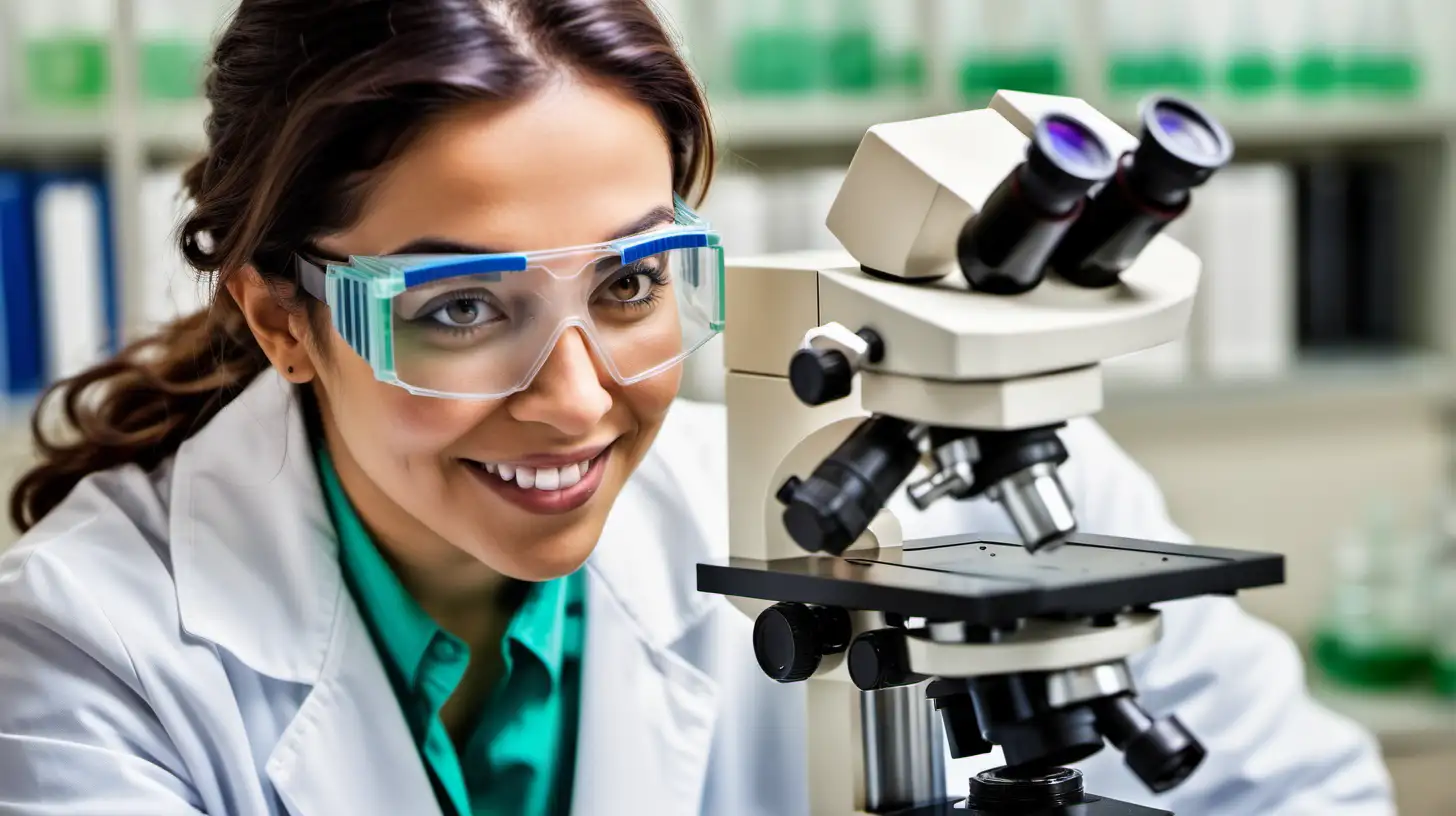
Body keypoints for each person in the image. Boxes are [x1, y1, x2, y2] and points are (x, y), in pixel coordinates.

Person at [0, 1, 1393, 814]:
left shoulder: (932, 464)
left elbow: (1301, 793)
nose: (576, 400)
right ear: (284, 318)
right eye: (460, 307)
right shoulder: (92, 655)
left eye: (631, 285)